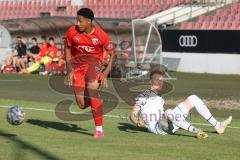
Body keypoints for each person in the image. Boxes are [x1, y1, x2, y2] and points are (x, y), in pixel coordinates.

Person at [130, 70, 232, 139]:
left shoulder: (159, 97)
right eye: (157, 80)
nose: (160, 83)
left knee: (193, 98)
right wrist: (137, 121)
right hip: (157, 128)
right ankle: (196, 131)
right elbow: (132, 115)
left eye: (161, 80)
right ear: (150, 81)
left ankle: (218, 125)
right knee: (169, 112)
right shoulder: (143, 96)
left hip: (168, 125)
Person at [65, 8, 116, 138]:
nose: (77, 24)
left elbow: (112, 53)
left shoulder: (101, 35)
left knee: (92, 89)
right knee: (81, 105)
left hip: (95, 64)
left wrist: (105, 73)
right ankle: (97, 101)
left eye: (80, 21)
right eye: (77, 21)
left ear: (89, 21)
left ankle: (99, 129)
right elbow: (67, 49)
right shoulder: (72, 32)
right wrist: (70, 69)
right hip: (78, 66)